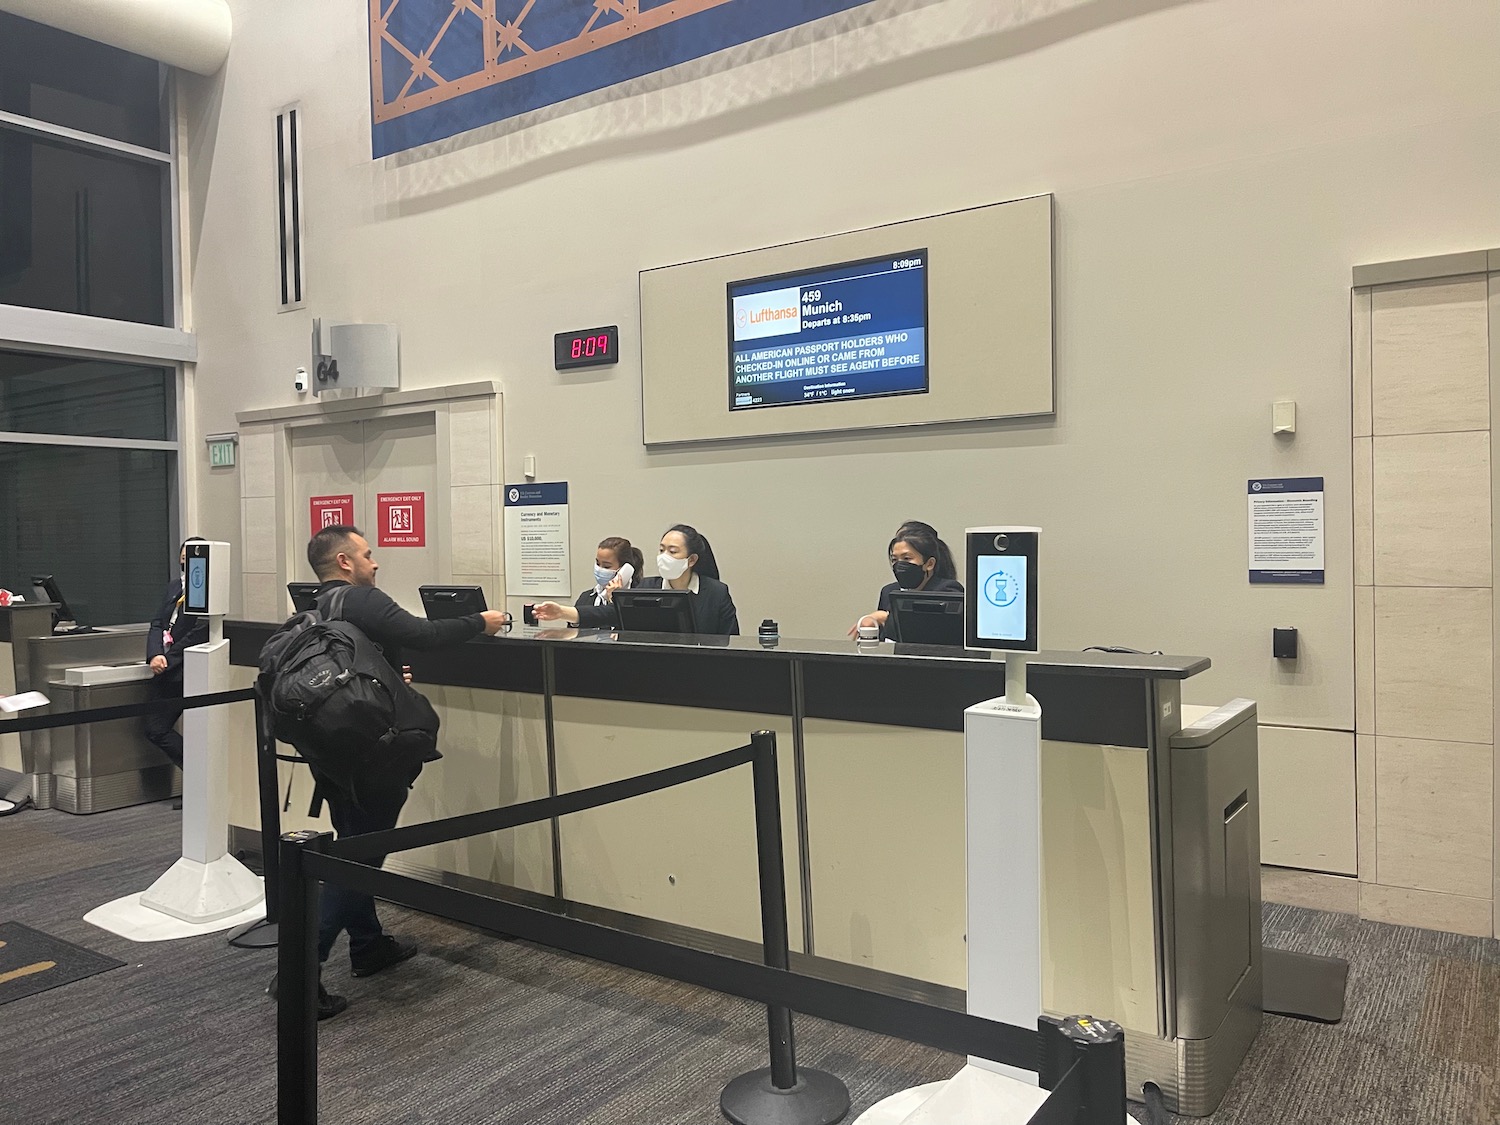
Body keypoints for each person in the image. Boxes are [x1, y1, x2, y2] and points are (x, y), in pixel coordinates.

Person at [270, 524, 509, 1019]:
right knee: (359, 857)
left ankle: (368, 945)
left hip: (333, 748)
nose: (374, 563)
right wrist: (481, 622)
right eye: (367, 554)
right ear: (344, 563)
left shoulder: (314, 606)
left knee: (356, 841)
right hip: (372, 750)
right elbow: (424, 634)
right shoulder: (361, 600)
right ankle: (297, 970)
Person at [144, 537, 210, 808]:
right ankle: (199, 781)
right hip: (165, 666)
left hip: (186, 668)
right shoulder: (175, 585)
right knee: (154, 728)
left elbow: (202, 630)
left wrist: (168, 659)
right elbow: (158, 622)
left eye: (191, 557)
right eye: (183, 556)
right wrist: (154, 654)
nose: (185, 561)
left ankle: (201, 784)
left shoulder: (207, 588)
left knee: (160, 728)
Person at [849, 521, 963, 639]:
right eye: (894, 560)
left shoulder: (948, 590)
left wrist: (887, 618)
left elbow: (936, 632)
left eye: (907, 558)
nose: (899, 565)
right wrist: (869, 627)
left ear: (929, 564)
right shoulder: (889, 591)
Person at [634, 524, 739, 635]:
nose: (664, 557)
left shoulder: (717, 593)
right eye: (661, 550)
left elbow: (731, 640)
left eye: (673, 551)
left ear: (692, 560)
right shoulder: (645, 587)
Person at [531, 537, 646, 628]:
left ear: (625, 569)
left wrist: (614, 599)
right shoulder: (586, 597)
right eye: (597, 563)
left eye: (606, 566)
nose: (599, 569)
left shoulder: (636, 599)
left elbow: (624, 625)